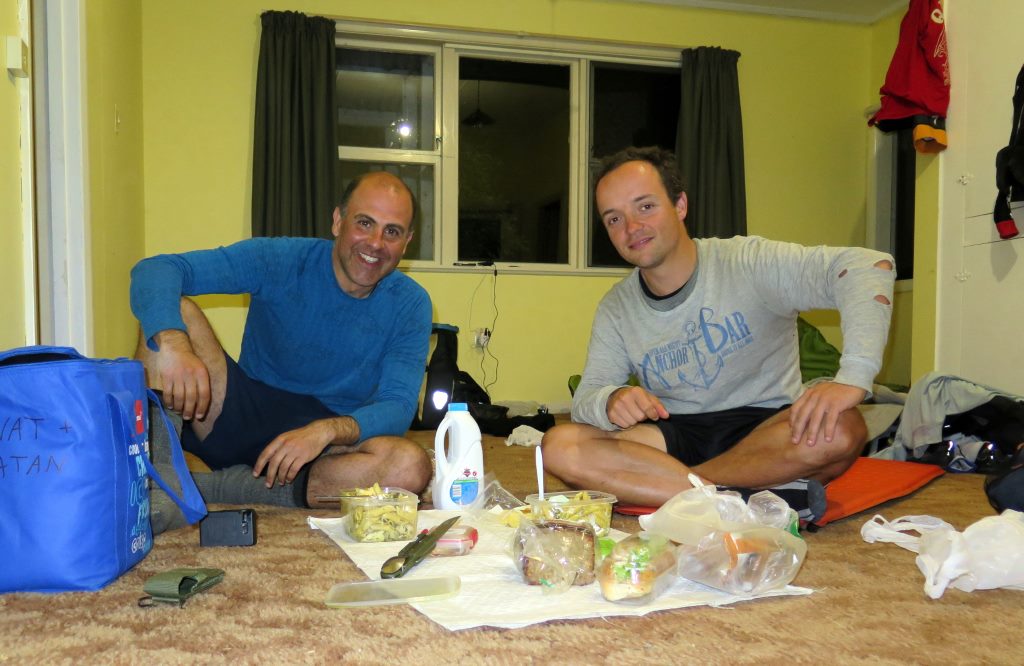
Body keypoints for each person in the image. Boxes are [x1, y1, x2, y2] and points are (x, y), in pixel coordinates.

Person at [542, 146, 895, 509]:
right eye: (614, 219)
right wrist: (611, 399)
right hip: (673, 434)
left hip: (765, 429)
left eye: (645, 206)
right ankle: (735, 497)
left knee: (843, 429)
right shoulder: (617, 307)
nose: (632, 228)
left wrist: (853, 376)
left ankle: (684, 487)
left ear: (680, 205)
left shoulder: (749, 262)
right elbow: (587, 398)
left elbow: (868, 265)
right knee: (560, 446)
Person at [130, 171, 433, 531]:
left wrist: (324, 431)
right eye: (364, 223)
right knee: (172, 316)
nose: (375, 243)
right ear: (338, 221)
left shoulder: (411, 303)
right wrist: (176, 343)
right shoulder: (280, 258)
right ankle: (159, 481)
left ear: (407, 241)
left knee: (408, 467)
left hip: (316, 454)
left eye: (392, 231)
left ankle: (210, 488)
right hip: (233, 413)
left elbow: (398, 406)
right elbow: (156, 269)